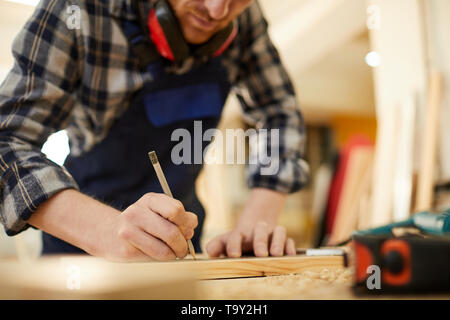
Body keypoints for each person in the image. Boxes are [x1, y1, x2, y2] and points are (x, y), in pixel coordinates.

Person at [0, 0, 308, 262]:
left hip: (180, 250)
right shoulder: (80, 10)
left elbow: (279, 113)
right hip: (80, 252)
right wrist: (105, 230)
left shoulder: (244, 16)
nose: (217, 12)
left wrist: (254, 225)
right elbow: (6, 141)